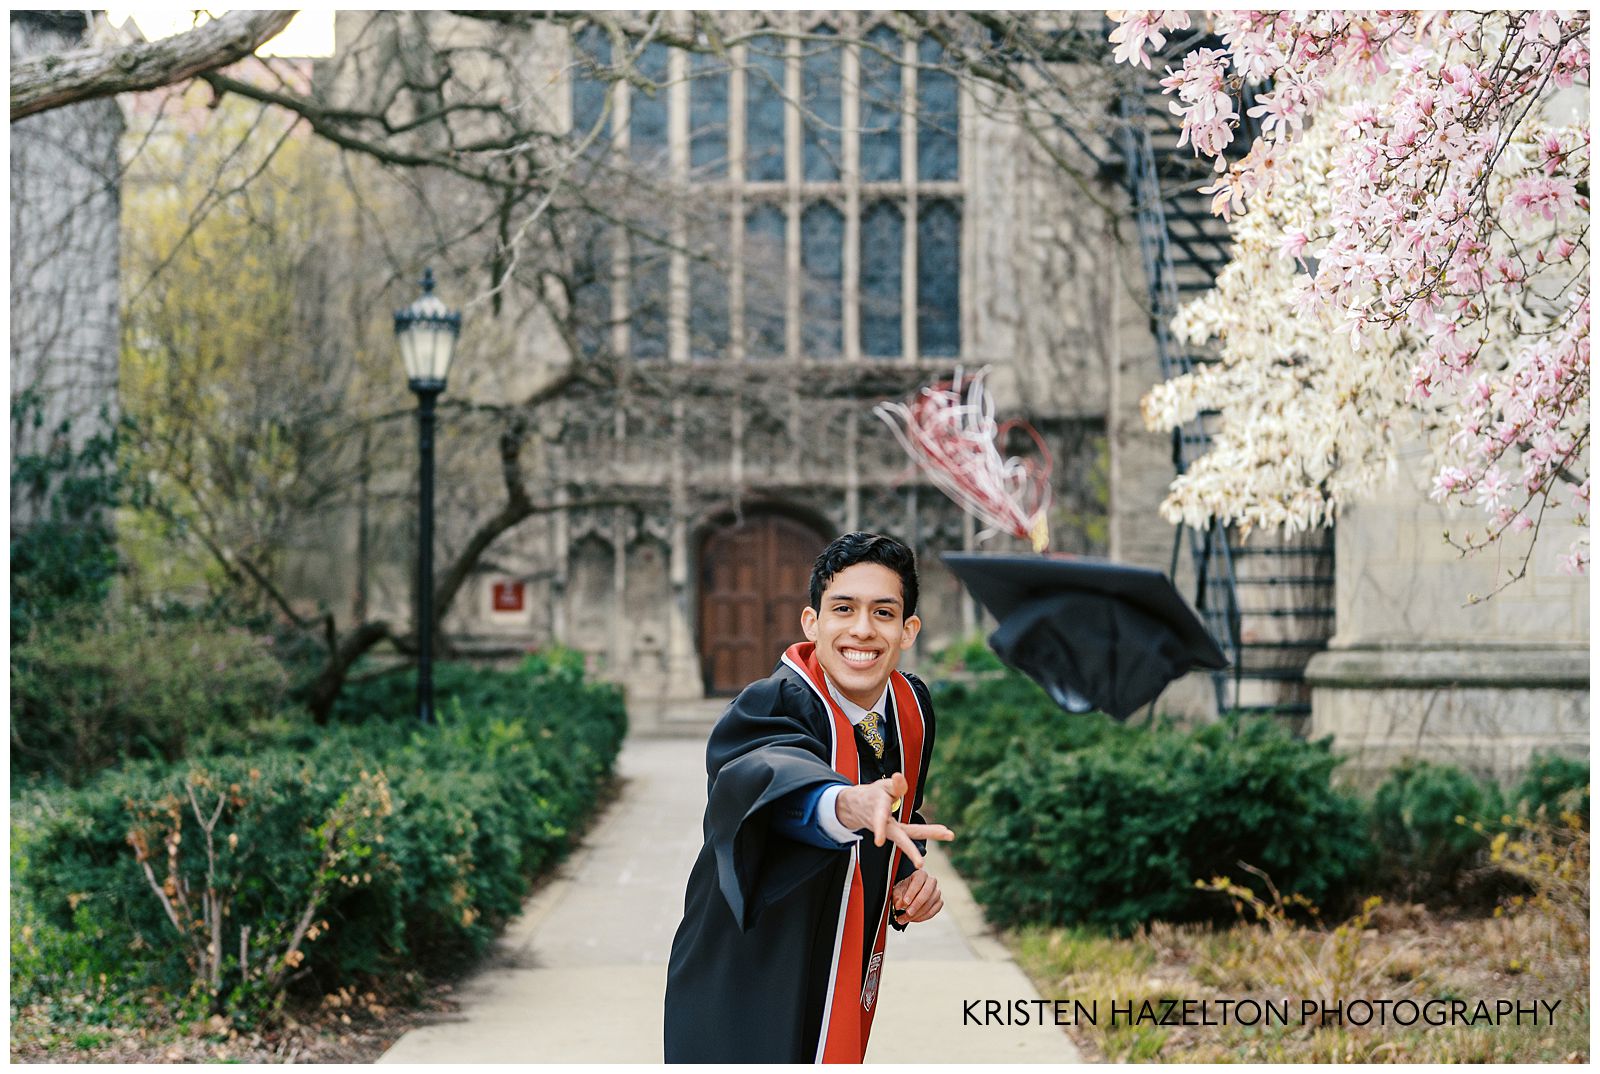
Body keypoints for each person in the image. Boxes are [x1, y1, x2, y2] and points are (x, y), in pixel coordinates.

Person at [664, 532, 955, 1063]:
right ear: (811, 622)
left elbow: (896, 816)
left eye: (883, 613)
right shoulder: (773, 701)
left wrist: (908, 882)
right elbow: (766, 775)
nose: (862, 630)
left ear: (909, 630)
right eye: (843, 609)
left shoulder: (911, 706)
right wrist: (842, 804)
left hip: (836, 964)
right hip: (749, 975)